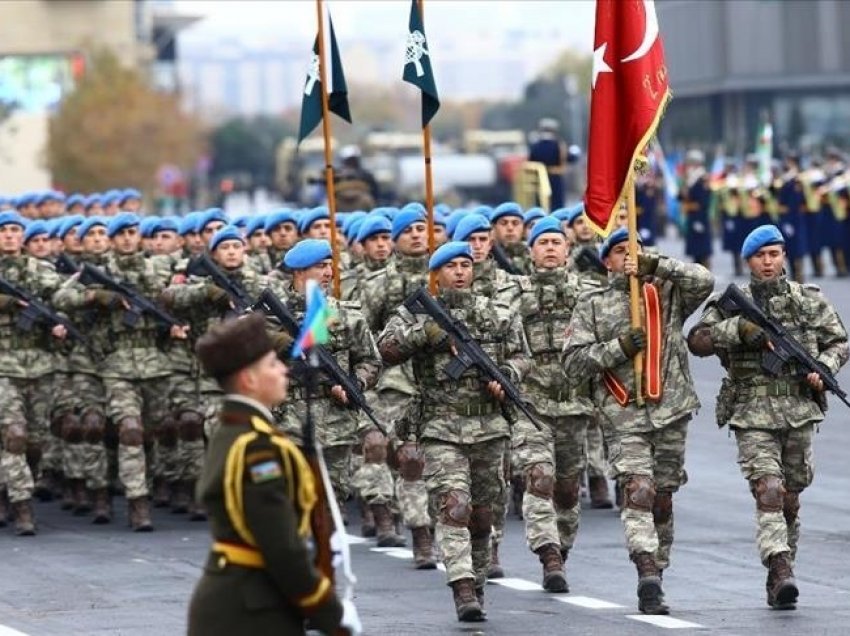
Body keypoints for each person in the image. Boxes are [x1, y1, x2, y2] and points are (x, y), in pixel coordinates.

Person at [686, 225, 849, 610]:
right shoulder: (733, 302)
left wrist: (823, 367)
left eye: (774, 254)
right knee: (769, 491)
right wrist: (739, 330)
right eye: (760, 256)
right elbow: (697, 340)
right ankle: (779, 569)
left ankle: (782, 564)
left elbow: (839, 341)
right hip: (752, 413)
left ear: (784, 257)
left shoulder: (808, 301)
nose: (768, 262)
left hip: (798, 412)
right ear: (748, 261)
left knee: (790, 498)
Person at [563, 227, 714, 614]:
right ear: (607, 261)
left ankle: (657, 571)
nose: (629, 257)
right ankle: (645, 571)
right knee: (639, 491)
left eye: (636, 250)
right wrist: (619, 348)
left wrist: (655, 264)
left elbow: (705, 280)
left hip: (670, 410)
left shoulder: (665, 292)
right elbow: (574, 363)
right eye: (620, 251)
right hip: (623, 413)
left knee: (662, 499)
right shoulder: (591, 305)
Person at [377, 241, 530, 622]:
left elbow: (521, 355)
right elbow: (387, 350)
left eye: (466, 264)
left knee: (483, 514)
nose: (460, 271)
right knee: (454, 506)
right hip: (440, 427)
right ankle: (461, 585)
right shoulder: (414, 314)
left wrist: (508, 376)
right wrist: (427, 332)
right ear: (436, 275)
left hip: (490, 428)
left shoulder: (495, 312)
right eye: (451, 266)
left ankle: (475, 580)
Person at [187, 312, 358, 636]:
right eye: (272, 364)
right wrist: (330, 614)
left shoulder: (246, 433)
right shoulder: (256, 449)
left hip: (251, 603)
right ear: (249, 380)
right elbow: (283, 548)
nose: (284, 370)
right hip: (247, 613)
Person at [514, 217, 603, 592]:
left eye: (556, 242)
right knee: (540, 478)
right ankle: (548, 553)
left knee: (567, 489)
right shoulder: (512, 295)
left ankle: (561, 548)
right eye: (542, 242)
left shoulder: (590, 293)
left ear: (568, 249)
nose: (550, 248)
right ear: (531, 251)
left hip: (574, 407)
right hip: (531, 407)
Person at [528, 118, 568, 209]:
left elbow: (530, 161)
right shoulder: (559, 145)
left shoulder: (535, 146)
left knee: (540, 204)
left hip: (539, 178)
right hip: (555, 177)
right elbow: (564, 160)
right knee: (557, 205)